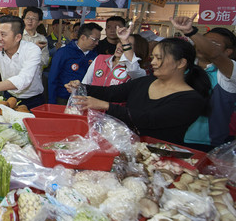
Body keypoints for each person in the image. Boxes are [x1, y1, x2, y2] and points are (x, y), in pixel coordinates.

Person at [66, 38, 211, 145]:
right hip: (126, 148)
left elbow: (150, 119)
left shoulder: (191, 99)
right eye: (153, 57)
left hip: (159, 157)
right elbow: (112, 92)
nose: (153, 62)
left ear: (181, 63)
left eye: (159, 58)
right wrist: (82, 87)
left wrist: (106, 106)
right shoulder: (145, 82)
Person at [171, 15, 236, 150]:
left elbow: (215, 55)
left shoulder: (227, 74)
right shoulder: (183, 66)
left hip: (207, 144)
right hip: (174, 136)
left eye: (212, 44)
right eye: (203, 41)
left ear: (228, 52)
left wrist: (191, 32)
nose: (202, 45)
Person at [48, 22, 102, 104]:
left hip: (85, 100)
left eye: (98, 40)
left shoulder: (95, 55)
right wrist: (51, 102)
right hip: (63, 99)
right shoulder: (64, 52)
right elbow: (53, 78)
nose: (97, 43)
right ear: (83, 37)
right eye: (94, 40)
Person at [82, 23, 148, 86]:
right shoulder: (100, 58)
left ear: (137, 50)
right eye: (120, 42)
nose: (121, 46)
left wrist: (125, 41)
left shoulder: (138, 71)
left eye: (127, 44)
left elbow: (133, 69)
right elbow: (85, 84)